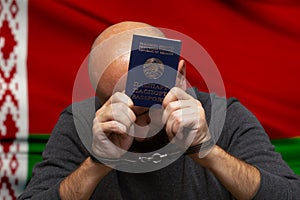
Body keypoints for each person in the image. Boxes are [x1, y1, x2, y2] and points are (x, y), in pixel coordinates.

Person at [18, 21, 300, 200]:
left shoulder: (225, 116)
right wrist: (97, 163)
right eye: (115, 104)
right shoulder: (81, 122)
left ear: (180, 75)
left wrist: (208, 152)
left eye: (145, 108)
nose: (136, 129)